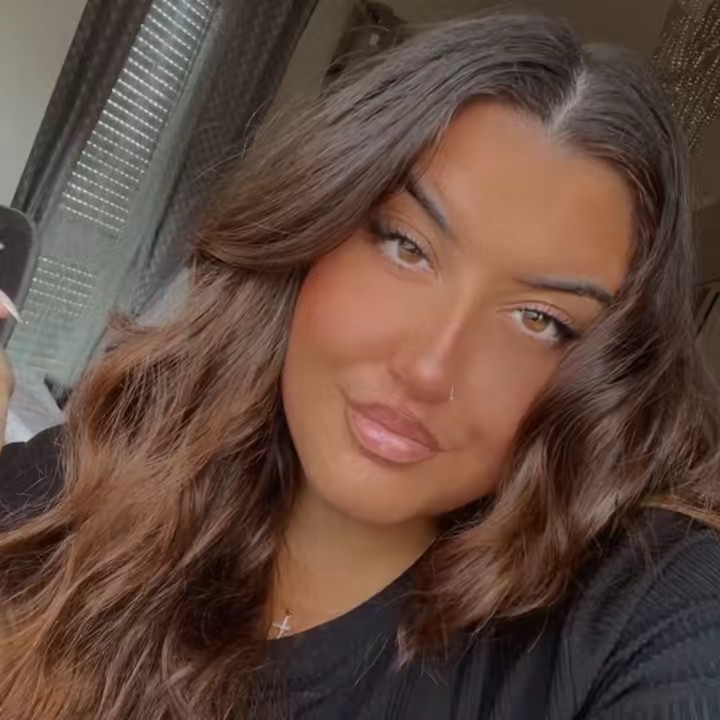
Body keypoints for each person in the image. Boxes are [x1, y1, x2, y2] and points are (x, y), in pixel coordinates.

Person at [0, 11, 719, 720]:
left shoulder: (642, 614)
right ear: (314, 224)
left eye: (540, 320)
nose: (430, 369)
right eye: (407, 247)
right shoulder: (96, 470)